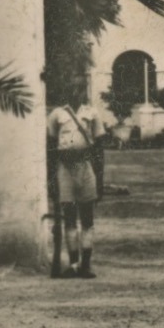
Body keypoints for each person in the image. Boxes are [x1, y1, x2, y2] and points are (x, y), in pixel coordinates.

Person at [47, 87, 109, 278]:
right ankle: (73, 264)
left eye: (79, 88)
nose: (76, 92)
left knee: (88, 218)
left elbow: (99, 148)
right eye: (72, 88)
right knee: (69, 217)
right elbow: (50, 147)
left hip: (85, 166)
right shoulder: (57, 114)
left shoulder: (92, 113)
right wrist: (51, 179)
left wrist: (100, 179)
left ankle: (86, 265)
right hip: (65, 169)